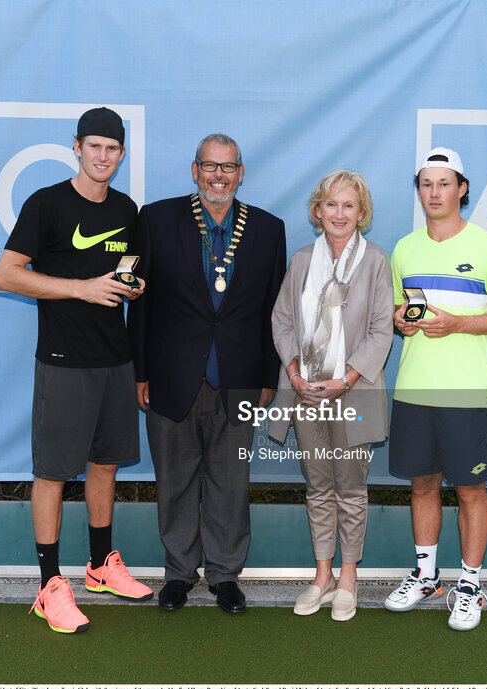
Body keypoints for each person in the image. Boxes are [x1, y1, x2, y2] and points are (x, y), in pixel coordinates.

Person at [0, 107, 153, 634]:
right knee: (54, 473)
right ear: (77, 147)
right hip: (63, 361)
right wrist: (79, 288)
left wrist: (132, 287)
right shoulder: (47, 204)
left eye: (113, 149)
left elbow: (126, 275)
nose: (103, 156)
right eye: (95, 147)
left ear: (122, 154)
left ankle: (101, 567)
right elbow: (7, 275)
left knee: (105, 465)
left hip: (115, 359)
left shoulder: (128, 209)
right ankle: (48, 586)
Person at [127, 133, 286, 614]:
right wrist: (141, 370)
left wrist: (268, 377)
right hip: (173, 374)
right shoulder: (155, 219)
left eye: (228, 167)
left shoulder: (267, 228)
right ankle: (178, 573)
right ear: (194, 170)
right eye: (209, 166)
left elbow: (272, 313)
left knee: (230, 481)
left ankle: (224, 576)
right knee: (173, 479)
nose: (219, 176)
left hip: (238, 377)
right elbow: (142, 304)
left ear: (241, 172)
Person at [384, 147, 487, 631]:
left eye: (445, 183)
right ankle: (426, 577)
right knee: (422, 484)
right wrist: (402, 320)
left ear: (462, 188)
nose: (435, 192)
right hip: (413, 391)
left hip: (465, 393)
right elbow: (403, 314)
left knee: (469, 489)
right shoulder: (404, 248)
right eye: (427, 183)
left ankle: (469, 584)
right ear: (418, 189)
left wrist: (460, 324)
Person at [269, 170, 393, 622]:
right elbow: (282, 321)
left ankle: (348, 578)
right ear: (317, 210)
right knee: (318, 486)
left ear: (362, 214)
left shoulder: (376, 261)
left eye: (349, 206)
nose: (339, 214)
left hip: (352, 393)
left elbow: (383, 331)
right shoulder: (302, 260)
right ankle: (321, 576)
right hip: (305, 393)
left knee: (352, 488)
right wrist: (293, 367)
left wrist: (347, 379)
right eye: (331, 205)